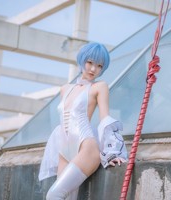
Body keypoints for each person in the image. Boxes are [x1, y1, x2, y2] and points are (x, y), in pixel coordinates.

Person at [38, 42, 128, 200]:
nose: (93, 69)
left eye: (99, 65)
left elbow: (104, 118)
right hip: (64, 149)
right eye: (90, 62)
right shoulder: (65, 88)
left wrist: (113, 153)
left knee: (53, 195)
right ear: (82, 61)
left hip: (86, 147)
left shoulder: (99, 87)